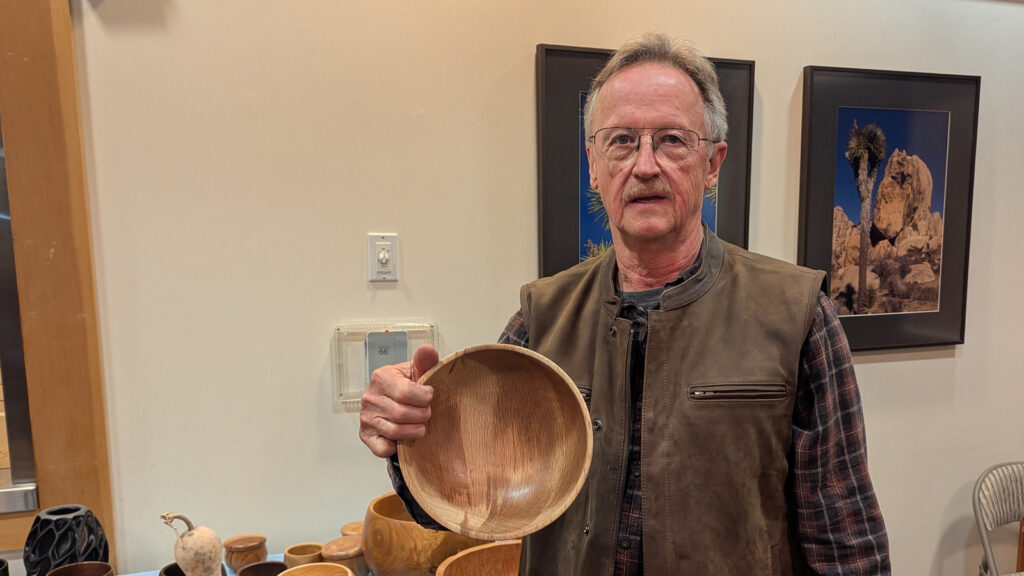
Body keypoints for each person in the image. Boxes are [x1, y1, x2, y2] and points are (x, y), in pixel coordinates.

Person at [359, 33, 890, 575]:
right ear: (594, 165)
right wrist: (408, 439)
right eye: (621, 142)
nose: (645, 165)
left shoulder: (797, 316)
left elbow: (846, 542)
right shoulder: (540, 320)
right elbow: (472, 505)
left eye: (672, 140)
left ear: (713, 164)